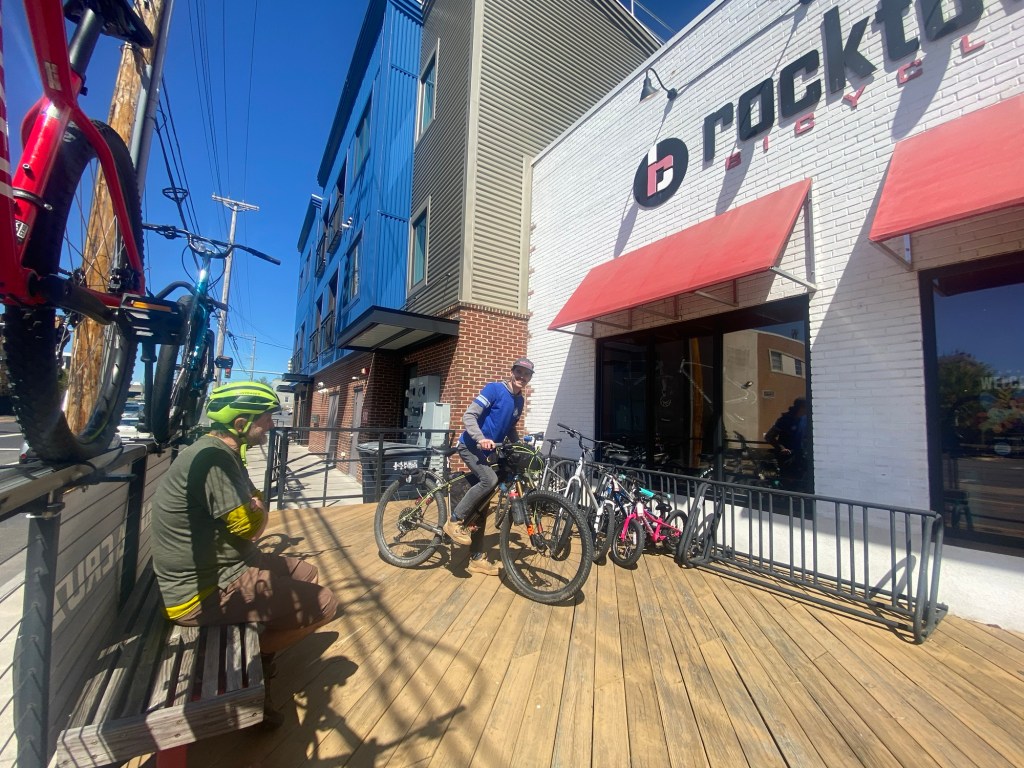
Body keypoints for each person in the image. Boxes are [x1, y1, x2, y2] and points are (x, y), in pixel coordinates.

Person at [150, 381, 339, 725]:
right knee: (326, 604)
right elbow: (251, 527)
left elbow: (254, 503)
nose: (271, 424)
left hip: (230, 562)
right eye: (266, 418)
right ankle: (255, 663)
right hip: (201, 590)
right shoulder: (214, 460)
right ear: (240, 423)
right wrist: (258, 509)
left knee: (306, 572)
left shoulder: (225, 452)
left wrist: (256, 507)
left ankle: (261, 647)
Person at [443, 357, 534, 575]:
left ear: (530, 378)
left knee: (483, 502)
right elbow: (469, 416)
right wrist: (481, 438)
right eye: (519, 372)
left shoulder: (519, 401)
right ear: (512, 372)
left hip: (488, 452)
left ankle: (476, 558)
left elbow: (509, 428)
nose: (522, 377)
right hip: (470, 446)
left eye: (526, 374)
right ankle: (454, 521)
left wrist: (519, 445)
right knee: (489, 480)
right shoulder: (494, 390)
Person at [765, 397, 808, 489]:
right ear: (800, 407)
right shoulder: (785, 420)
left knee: (801, 482)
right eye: (806, 407)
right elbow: (769, 437)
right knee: (788, 483)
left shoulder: (806, 420)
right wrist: (782, 448)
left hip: (801, 456)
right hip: (787, 457)